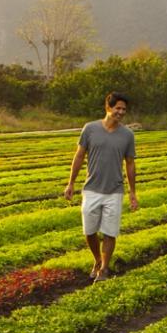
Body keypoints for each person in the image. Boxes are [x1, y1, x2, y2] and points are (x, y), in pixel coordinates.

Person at [62, 91, 139, 280]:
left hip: (114, 190)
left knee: (110, 232)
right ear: (108, 108)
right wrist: (70, 182)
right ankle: (97, 259)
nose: (121, 112)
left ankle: (104, 268)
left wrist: (132, 192)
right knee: (89, 231)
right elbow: (79, 156)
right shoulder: (90, 129)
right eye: (117, 108)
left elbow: (130, 163)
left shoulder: (127, 135)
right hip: (91, 189)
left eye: (124, 109)